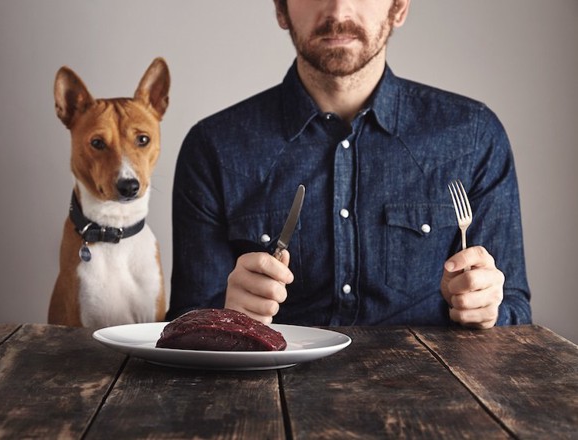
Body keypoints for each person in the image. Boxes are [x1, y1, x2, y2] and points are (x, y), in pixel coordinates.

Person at [168, 0, 531, 329]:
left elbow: (515, 313)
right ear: (281, 10)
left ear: (399, 8)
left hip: (434, 393)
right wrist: (224, 316)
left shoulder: (474, 135)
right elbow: (185, 325)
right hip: (273, 392)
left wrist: (489, 309)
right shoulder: (214, 147)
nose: (339, 12)